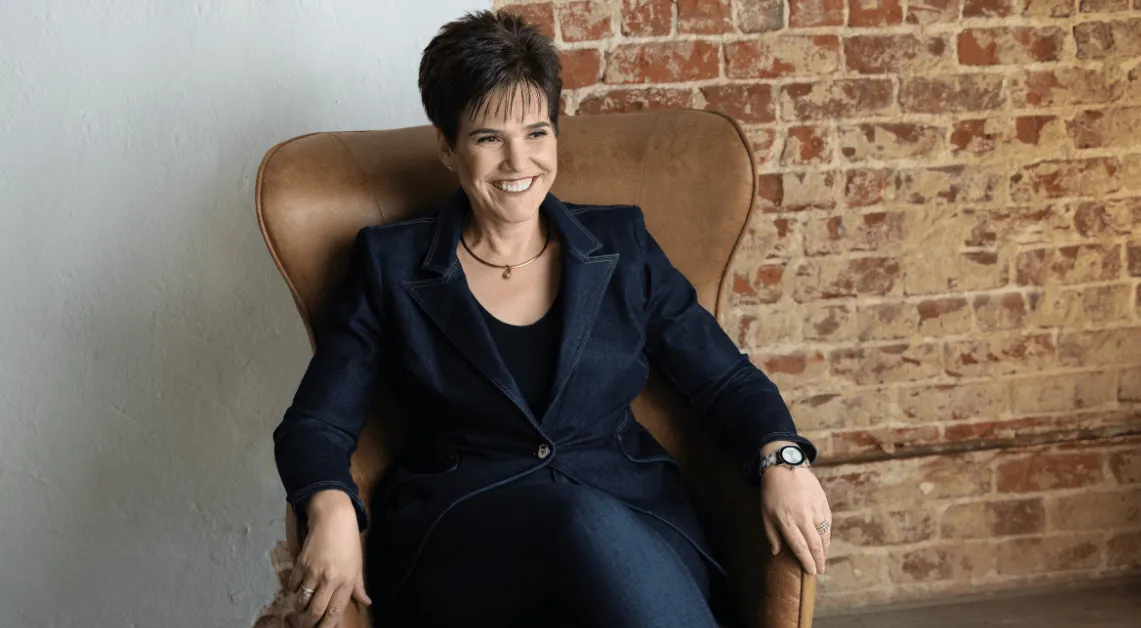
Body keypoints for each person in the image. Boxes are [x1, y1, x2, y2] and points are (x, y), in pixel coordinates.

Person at [272, 10, 832, 628]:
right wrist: (329, 506)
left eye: (536, 132)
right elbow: (316, 424)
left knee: (589, 523)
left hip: (632, 529)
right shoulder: (390, 265)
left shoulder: (621, 245)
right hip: (468, 542)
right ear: (448, 148)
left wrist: (783, 459)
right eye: (489, 138)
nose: (519, 162)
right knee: (573, 514)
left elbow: (724, 378)